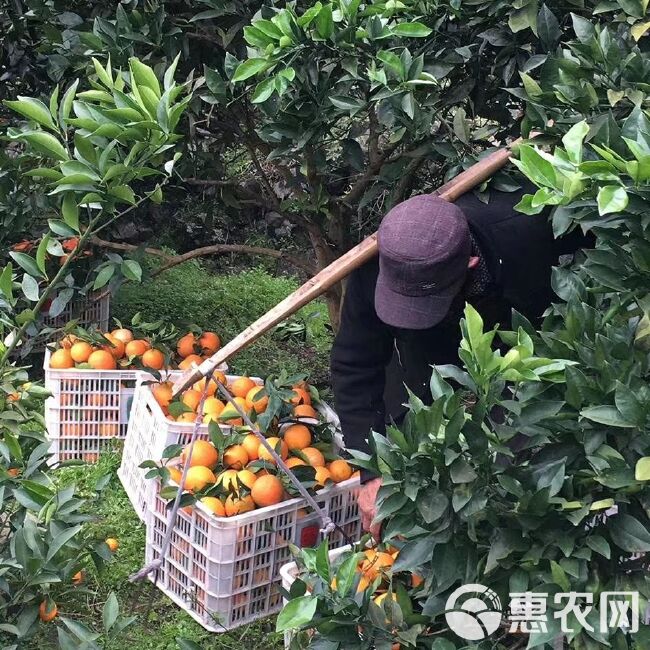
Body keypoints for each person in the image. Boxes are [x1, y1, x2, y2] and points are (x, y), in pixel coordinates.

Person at [330, 183, 587, 536]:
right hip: (424, 367)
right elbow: (355, 362)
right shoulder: (377, 263)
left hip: (516, 361)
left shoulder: (527, 232)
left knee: (511, 486)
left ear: (470, 263)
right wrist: (372, 470)